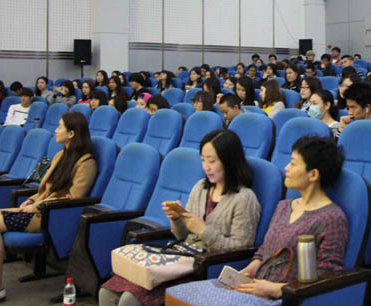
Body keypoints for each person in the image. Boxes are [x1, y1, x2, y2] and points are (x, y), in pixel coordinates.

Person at [99, 129, 261, 306]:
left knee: (129, 299)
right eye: (203, 160)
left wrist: (204, 231)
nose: (206, 167)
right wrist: (176, 219)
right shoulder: (201, 187)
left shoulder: (244, 199)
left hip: (202, 269)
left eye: (212, 161)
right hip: (178, 259)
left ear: (229, 161)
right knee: (106, 292)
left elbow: (241, 249)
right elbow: (182, 235)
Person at [0, 113, 97, 305]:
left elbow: (74, 198)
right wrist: (31, 199)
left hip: (49, 215)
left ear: (72, 133)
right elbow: (43, 185)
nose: (56, 130)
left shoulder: (87, 163)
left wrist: (38, 205)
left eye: (60, 127)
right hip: (36, 208)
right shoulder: (59, 155)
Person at [187, 136, 345, 301]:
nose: (286, 168)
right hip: (257, 287)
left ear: (313, 174)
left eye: (293, 163)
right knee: (185, 294)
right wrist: (247, 272)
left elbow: (327, 277)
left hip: (285, 298)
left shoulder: (331, 218)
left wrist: (277, 290)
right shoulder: (284, 206)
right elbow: (264, 252)